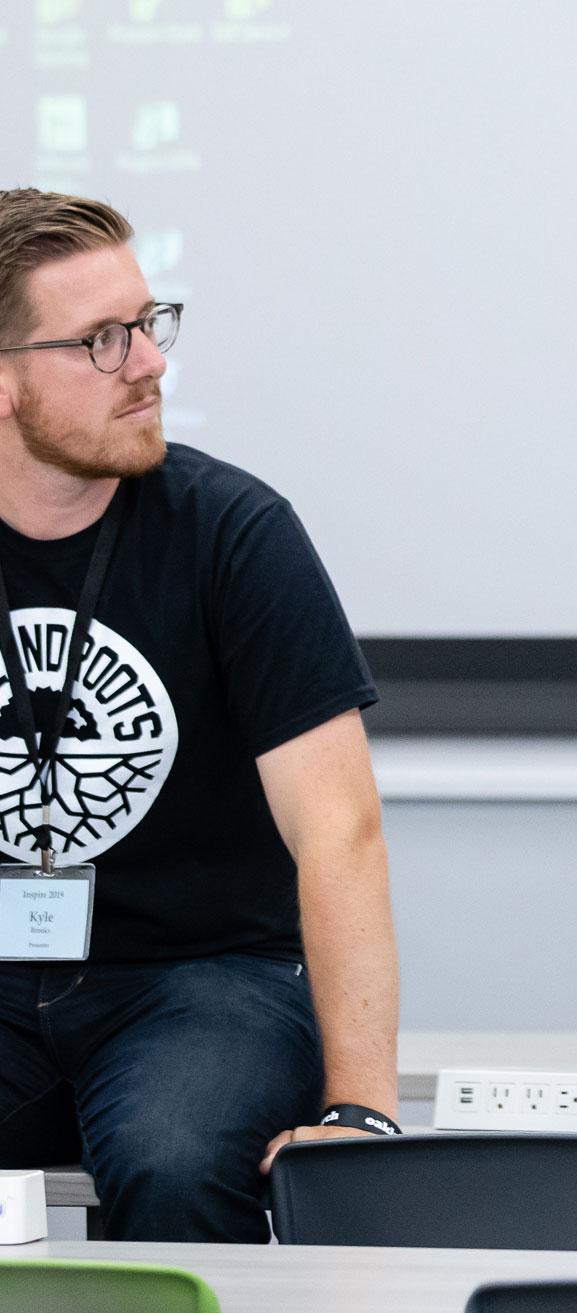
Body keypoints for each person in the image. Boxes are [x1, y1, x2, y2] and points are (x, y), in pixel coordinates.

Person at [0, 189, 399, 1243]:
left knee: (174, 1161)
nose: (150, 363)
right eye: (101, 340)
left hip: (203, 981)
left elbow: (340, 831)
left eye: (148, 323)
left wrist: (361, 1105)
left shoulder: (235, 534)